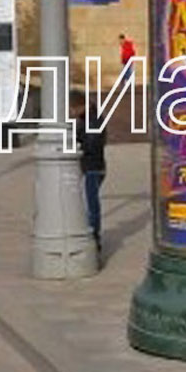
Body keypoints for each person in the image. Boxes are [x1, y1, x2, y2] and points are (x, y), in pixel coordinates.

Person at [72, 90, 107, 257]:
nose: (72, 112)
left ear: (81, 105)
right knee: (89, 201)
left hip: (93, 166)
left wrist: (78, 145)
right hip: (92, 165)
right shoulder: (87, 118)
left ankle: (94, 234)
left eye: (73, 108)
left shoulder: (92, 120)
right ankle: (92, 231)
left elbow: (92, 144)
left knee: (92, 203)